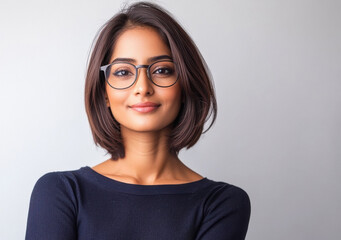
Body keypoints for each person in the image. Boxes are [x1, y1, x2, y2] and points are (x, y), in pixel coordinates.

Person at [25, 2, 251, 239]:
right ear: (105, 94)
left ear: (185, 85)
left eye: (162, 70)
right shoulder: (60, 192)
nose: (143, 87)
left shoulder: (222, 203)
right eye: (123, 72)